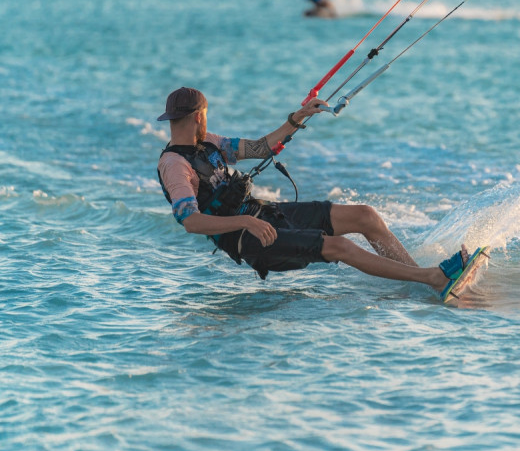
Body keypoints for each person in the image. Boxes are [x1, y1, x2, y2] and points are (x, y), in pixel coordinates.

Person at [155, 86, 474, 298]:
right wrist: (246, 224)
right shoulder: (175, 165)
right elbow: (191, 222)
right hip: (250, 238)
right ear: (198, 116)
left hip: (264, 214)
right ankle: (433, 278)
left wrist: (297, 118)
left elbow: (260, 147)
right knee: (337, 246)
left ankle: (424, 281)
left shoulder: (208, 141)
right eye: (206, 116)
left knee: (365, 216)